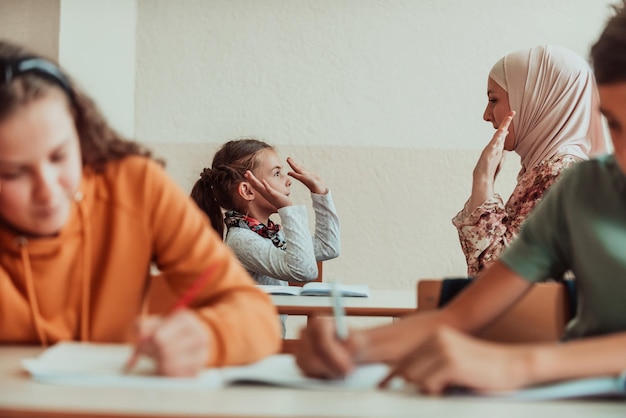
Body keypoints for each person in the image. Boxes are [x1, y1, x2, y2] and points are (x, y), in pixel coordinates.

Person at [295, 5, 626, 393]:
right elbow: (461, 315)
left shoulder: (562, 172)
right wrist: (354, 346)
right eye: (616, 125)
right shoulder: (586, 188)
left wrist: (519, 365)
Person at [0, 40, 282, 377]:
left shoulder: (134, 186)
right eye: (13, 173)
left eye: (60, 156)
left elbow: (256, 315)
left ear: (81, 135)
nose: (47, 191)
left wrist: (209, 336)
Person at [453, 44, 608, 278]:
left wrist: (483, 180)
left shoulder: (562, 175)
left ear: (535, 100)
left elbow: (498, 280)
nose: (486, 115)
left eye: (494, 100)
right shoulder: (549, 171)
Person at [190, 139, 341, 336]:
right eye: (277, 173)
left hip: (267, 347)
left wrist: (320, 194)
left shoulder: (269, 233)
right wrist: (288, 209)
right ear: (247, 190)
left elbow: (328, 247)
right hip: (250, 354)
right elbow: (304, 270)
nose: (288, 180)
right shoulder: (241, 240)